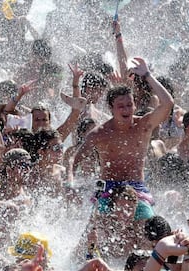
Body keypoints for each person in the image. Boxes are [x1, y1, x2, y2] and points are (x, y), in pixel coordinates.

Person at [73, 57, 174, 203]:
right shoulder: (100, 133)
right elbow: (74, 160)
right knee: (98, 222)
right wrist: (70, 184)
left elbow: (168, 103)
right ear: (111, 109)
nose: (126, 109)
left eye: (129, 104)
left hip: (137, 187)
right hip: (107, 187)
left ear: (134, 105)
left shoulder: (143, 126)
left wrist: (148, 76)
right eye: (121, 106)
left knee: (149, 221)